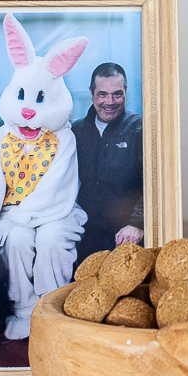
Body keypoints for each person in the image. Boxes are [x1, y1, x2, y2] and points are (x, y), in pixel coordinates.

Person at [72, 63, 144, 264]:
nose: (110, 102)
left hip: (127, 236)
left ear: (126, 92)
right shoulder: (76, 132)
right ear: (92, 93)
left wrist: (138, 223)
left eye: (117, 94)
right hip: (85, 236)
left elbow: (156, 182)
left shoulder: (140, 129)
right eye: (102, 94)